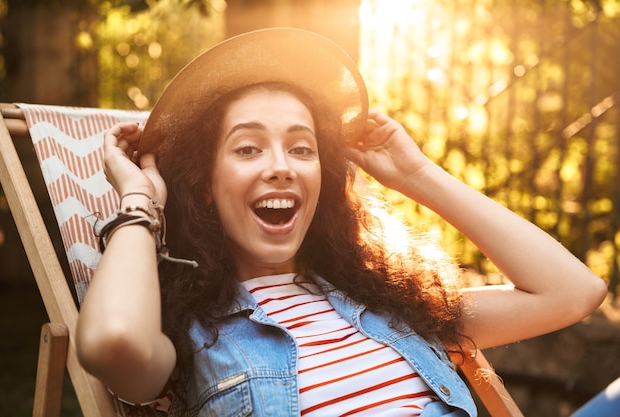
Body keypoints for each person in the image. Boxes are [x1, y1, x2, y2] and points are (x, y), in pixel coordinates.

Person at [76, 28, 609, 416]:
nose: (281, 167)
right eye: (248, 148)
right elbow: (111, 341)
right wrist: (140, 201)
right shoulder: (193, 335)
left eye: (301, 148)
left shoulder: (394, 304)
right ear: (204, 186)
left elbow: (573, 292)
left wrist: (417, 174)